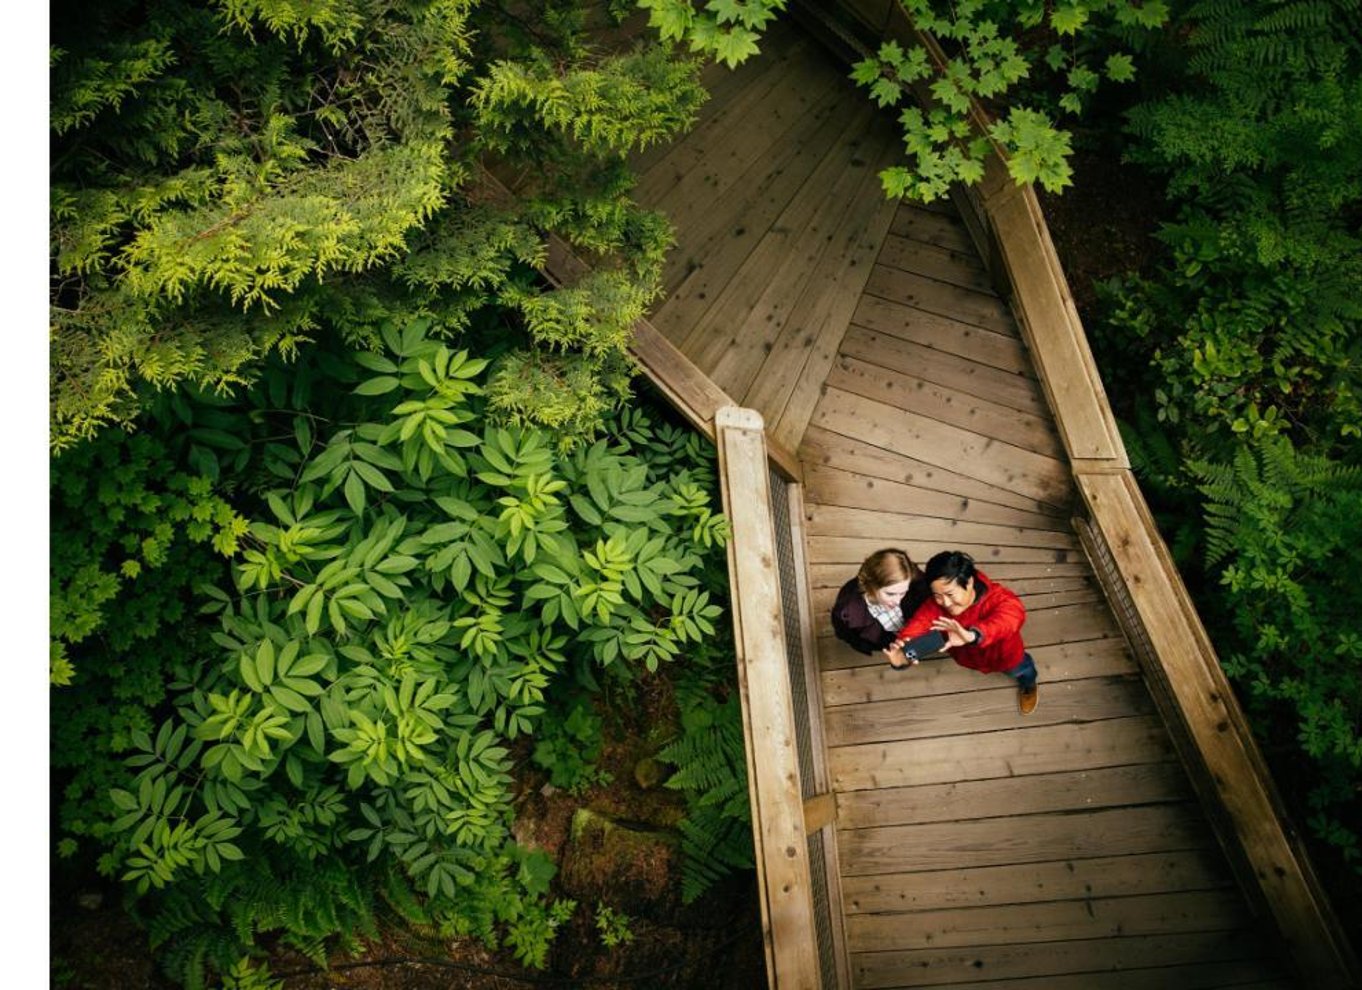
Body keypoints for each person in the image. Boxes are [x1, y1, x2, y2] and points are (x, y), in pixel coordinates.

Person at [888, 550, 1039, 715]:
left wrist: (974, 635)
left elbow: (1009, 619)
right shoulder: (935, 606)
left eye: (950, 594)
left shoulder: (1000, 598)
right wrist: (903, 652)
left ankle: (1029, 685)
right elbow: (919, 624)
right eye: (937, 595)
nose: (945, 603)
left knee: (1023, 670)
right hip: (969, 659)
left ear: (969, 582)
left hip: (1006, 656)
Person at [830, 548, 930, 656]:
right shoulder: (846, 611)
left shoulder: (912, 578)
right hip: (884, 642)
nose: (897, 601)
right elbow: (845, 634)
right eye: (890, 594)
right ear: (872, 585)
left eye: (903, 593)